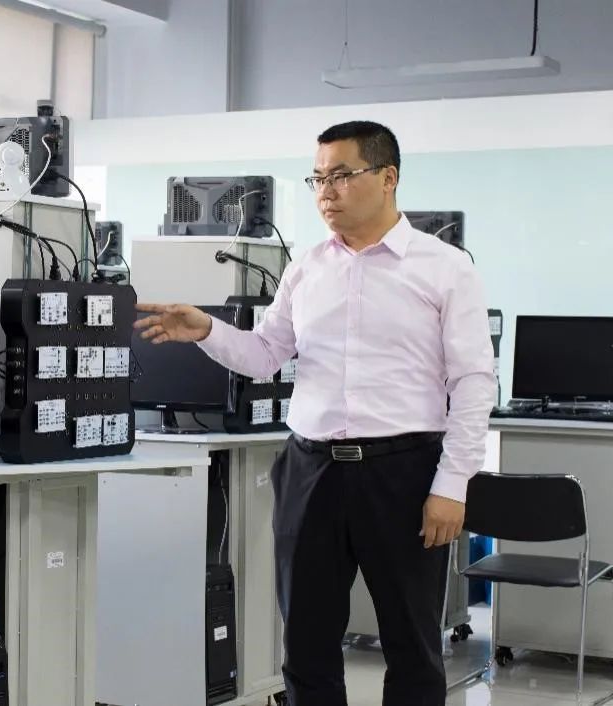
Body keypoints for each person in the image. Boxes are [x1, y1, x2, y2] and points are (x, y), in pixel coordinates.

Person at [134, 121, 495, 705]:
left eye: (342, 176)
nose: (326, 191)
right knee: (305, 646)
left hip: (403, 473)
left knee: (412, 645)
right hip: (311, 470)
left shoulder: (444, 268)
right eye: (318, 178)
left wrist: (452, 485)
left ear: (388, 178)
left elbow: (474, 382)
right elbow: (265, 355)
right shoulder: (306, 267)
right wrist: (206, 330)